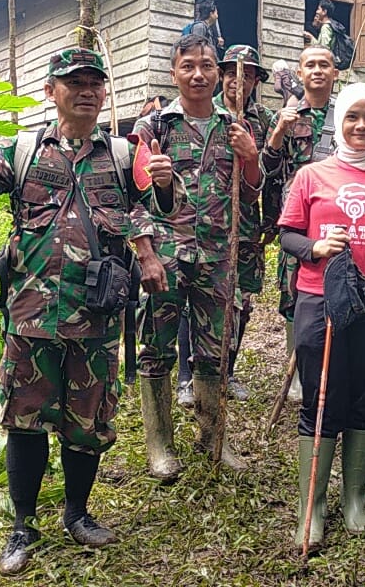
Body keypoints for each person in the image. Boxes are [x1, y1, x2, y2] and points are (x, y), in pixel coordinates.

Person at [0, 48, 179, 575]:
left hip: (96, 313)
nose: (88, 91)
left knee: (87, 421)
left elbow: (147, 208)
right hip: (31, 313)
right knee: (25, 418)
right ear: (52, 91)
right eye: (75, 82)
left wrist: (159, 194)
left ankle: (77, 513)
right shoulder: (21, 151)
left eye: (96, 82)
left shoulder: (119, 154)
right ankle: (22, 524)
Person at [278, 82, 365, 549]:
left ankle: (355, 499)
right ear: (338, 121)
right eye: (352, 117)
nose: (361, 126)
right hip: (320, 296)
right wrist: (316, 247)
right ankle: (312, 506)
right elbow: (287, 236)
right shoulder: (311, 175)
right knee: (322, 396)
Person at [133, 33, 261, 476]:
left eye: (207, 65)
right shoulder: (155, 127)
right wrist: (146, 252)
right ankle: (160, 448)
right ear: (174, 72)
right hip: (167, 256)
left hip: (217, 255)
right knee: (157, 350)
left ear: (220, 73)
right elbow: (135, 194)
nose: (199, 74)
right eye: (188, 65)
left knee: (214, 352)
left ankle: (213, 441)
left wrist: (250, 158)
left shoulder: (236, 126)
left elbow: (251, 192)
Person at [175, 45, 273, 406]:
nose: (237, 81)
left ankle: (225, 371)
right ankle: (187, 376)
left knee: (238, 302)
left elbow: (266, 176)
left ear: (256, 81)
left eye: (246, 75)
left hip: (245, 227)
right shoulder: (206, 115)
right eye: (231, 73)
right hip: (200, 231)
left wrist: (259, 150)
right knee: (193, 304)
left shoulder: (263, 121)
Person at [261, 45, 338, 404]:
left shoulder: (348, 114)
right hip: (298, 221)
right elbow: (268, 169)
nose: (318, 71)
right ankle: (297, 368)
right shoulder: (289, 115)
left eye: (325, 65)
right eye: (311, 65)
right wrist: (278, 131)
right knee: (292, 295)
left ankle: (333, 366)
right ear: (300, 73)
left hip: (337, 218)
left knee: (340, 287)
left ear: (335, 73)